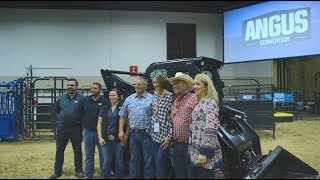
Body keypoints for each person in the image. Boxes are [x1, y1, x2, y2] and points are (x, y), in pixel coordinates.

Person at [118, 76, 155, 179]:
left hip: (147, 134)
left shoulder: (152, 98)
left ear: (146, 86)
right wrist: (121, 130)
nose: (137, 86)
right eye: (135, 84)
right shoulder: (129, 99)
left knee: (148, 160)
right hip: (134, 134)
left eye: (139, 84)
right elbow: (122, 115)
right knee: (134, 159)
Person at [188, 74, 223, 179]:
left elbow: (211, 129)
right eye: (194, 84)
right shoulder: (199, 103)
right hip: (195, 151)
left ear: (206, 86)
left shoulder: (210, 103)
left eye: (198, 84)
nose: (194, 86)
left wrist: (204, 153)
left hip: (203, 153)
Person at [49, 78, 85, 179]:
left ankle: (78, 170)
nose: (69, 87)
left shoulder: (82, 99)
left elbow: (85, 112)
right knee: (59, 150)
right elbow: (56, 111)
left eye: (72, 85)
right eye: (68, 85)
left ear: (76, 86)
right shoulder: (60, 99)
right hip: (62, 129)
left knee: (77, 150)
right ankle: (57, 171)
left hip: (76, 129)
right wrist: (64, 118)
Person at [168, 72, 197, 179]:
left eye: (177, 83)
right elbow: (174, 121)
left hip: (189, 145)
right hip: (176, 144)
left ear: (185, 85)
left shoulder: (193, 98)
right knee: (179, 174)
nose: (174, 86)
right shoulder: (175, 101)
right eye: (174, 84)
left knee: (191, 174)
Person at [146, 74, 174, 179]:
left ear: (162, 82)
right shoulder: (155, 94)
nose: (155, 84)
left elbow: (173, 117)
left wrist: (170, 135)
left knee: (160, 159)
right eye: (153, 82)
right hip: (154, 132)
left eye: (157, 82)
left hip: (164, 133)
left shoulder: (170, 96)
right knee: (156, 160)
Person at [97, 88, 127, 179]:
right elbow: (99, 124)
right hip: (106, 139)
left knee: (119, 161)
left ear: (118, 96)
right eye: (110, 95)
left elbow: (129, 125)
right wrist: (100, 137)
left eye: (114, 95)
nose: (111, 97)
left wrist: (125, 139)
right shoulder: (105, 108)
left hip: (119, 140)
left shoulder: (123, 107)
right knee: (106, 161)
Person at [82, 82, 108, 179]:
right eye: (91, 88)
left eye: (95, 88)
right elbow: (80, 113)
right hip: (88, 132)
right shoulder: (85, 100)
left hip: (101, 134)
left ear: (100, 90)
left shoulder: (105, 101)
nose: (92, 89)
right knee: (89, 155)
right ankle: (88, 175)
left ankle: (104, 175)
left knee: (103, 155)